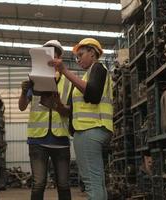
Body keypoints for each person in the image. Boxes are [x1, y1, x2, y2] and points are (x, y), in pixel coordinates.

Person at [49, 38, 113, 200]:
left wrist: (64, 71)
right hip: (93, 130)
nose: (78, 60)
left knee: (91, 182)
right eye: (76, 57)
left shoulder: (98, 68)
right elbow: (73, 108)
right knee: (97, 182)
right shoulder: (87, 76)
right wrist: (58, 104)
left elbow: (93, 94)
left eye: (81, 55)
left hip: (89, 130)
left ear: (92, 53)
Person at [19, 40, 72, 200]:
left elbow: (71, 111)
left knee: (63, 185)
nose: (51, 61)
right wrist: (24, 92)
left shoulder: (69, 82)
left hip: (60, 140)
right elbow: (22, 106)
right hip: (37, 141)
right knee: (39, 184)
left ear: (60, 58)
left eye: (54, 57)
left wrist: (58, 106)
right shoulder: (34, 82)